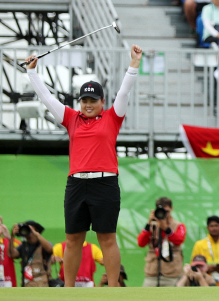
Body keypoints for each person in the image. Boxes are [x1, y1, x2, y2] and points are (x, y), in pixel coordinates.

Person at [25, 44, 143, 287]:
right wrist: (32, 73)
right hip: (76, 184)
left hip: (105, 183)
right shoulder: (71, 118)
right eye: (84, 100)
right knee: (73, 239)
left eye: (93, 100)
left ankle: (112, 288)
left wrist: (134, 64)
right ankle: (69, 289)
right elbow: (46, 98)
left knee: (107, 238)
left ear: (102, 101)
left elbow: (123, 93)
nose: (88, 104)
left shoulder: (112, 117)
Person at [137, 197, 187, 287]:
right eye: (162, 211)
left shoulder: (179, 225)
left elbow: (179, 240)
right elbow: (141, 243)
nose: (164, 214)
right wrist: (148, 224)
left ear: (171, 209)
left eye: (166, 211)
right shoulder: (151, 225)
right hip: (152, 274)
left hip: (172, 275)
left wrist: (166, 229)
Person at [7, 221, 53, 287]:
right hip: (27, 283)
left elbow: (50, 250)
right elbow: (11, 254)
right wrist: (12, 235)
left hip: (42, 283)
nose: (30, 234)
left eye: (32, 231)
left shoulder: (44, 245)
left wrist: (36, 234)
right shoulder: (24, 246)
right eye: (28, 231)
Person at [0, 215, 21, 287]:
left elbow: (22, 248)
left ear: (2, 227)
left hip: (8, 283)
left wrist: (9, 237)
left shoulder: (8, 241)